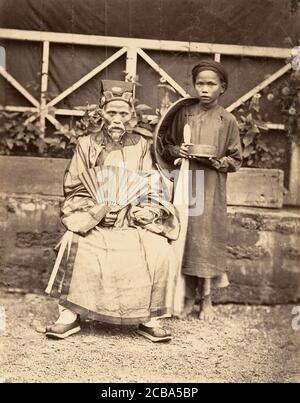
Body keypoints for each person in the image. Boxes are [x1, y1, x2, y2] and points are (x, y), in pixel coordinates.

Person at [45, 80, 179, 341]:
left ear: (132, 116)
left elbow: (152, 186)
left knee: (158, 248)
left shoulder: (142, 146)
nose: (117, 119)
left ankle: (149, 319)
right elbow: (74, 187)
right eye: (111, 113)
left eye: (123, 114)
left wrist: (144, 212)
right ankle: (69, 316)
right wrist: (97, 212)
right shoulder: (86, 144)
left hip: (131, 221)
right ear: (102, 113)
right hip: (94, 221)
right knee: (73, 242)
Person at [162, 59, 242, 321]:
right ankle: (185, 296)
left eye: (211, 84)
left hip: (211, 185)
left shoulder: (227, 119)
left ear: (222, 87)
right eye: (200, 84)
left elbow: (235, 159)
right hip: (187, 181)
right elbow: (167, 144)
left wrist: (217, 160)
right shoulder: (185, 113)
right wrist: (179, 150)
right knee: (186, 233)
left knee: (207, 238)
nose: (204, 89)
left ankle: (206, 298)